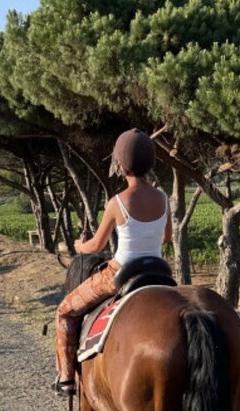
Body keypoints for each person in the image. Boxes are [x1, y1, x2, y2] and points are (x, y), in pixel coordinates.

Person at [54, 128, 172, 396]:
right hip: (158, 271)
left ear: (121, 165)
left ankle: (65, 378)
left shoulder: (117, 202)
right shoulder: (163, 199)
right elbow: (166, 238)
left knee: (65, 311)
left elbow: (96, 245)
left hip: (119, 273)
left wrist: (77, 246)